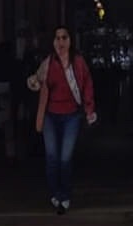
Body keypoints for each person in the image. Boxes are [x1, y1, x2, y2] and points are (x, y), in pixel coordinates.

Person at [26, 25, 99, 213]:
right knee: (52, 157)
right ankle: (55, 193)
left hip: (71, 116)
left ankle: (65, 195)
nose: (60, 42)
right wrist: (34, 82)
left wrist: (89, 108)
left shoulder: (79, 62)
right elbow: (37, 80)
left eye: (64, 38)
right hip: (51, 115)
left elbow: (87, 85)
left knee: (65, 158)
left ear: (70, 40)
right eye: (57, 38)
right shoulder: (48, 63)